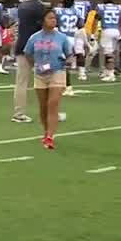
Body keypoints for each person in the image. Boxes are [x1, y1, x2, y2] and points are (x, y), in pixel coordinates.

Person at [22, 9, 73, 150]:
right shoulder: (35, 37)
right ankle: (46, 132)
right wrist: (35, 65)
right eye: (50, 18)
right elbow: (27, 53)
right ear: (42, 20)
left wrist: (66, 61)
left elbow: (69, 54)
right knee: (43, 107)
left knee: (53, 104)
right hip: (40, 74)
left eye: (55, 18)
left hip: (57, 72)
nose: (53, 20)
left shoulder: (62, 37)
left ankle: (50, 136)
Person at [11, 0, 47, 124]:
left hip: (22, 46)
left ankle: (19, 112)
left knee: (21, 82)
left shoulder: (22, 7)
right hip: (36, 48)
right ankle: (50, 110)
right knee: (48, 77)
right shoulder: (39, 8)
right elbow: (45, 26)